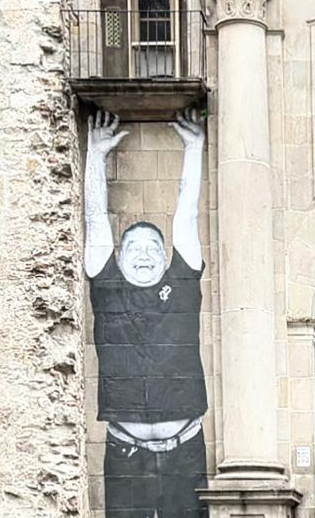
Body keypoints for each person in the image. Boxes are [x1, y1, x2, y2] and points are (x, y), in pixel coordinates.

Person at [84, 107, 207, 518]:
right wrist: (95, 154)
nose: (145, 254)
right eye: (133, 247)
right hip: (124, 454)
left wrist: (194, 147)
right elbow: (94, 220)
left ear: (165, 257)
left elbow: (186, 215)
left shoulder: (184, 285)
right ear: (118, 259)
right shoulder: (107, 288)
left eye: (154, 247)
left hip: (185, 451)